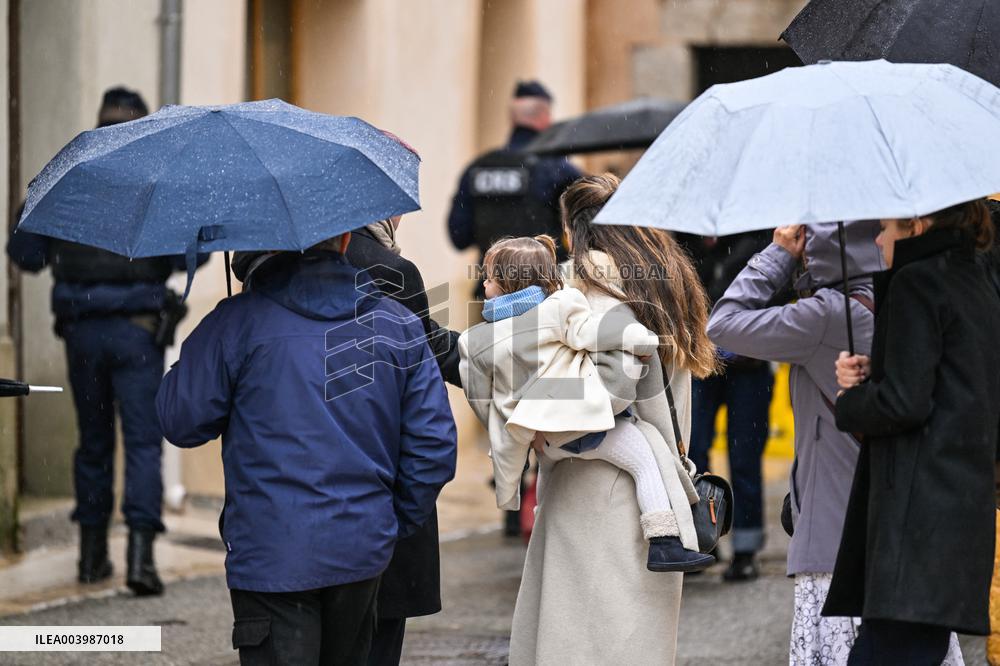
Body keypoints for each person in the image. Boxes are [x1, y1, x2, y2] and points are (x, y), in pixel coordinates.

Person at [156, 231, 456, 665]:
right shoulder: (398, 325)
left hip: (272, 552)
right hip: (362, 552)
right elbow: (433, 447)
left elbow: (180, 420)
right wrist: (386, 522)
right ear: (347, 237)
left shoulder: (237, 323)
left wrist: (204, 350)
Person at [509, 174, 717, 664]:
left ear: (571, 229)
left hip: (594, 486)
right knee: (629, 645)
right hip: (651, 492)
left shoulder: (587, 288)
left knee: (582, 645)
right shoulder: (665, 281)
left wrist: (534, 414)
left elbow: (603, 388)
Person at [6, 86, 200, 596]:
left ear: (99, 122)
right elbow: (185, 259)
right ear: (138, 127)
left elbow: (25, 253)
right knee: (141, 443)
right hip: (139, 333)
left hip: (82, 334)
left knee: (92, 444)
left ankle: (91, 557)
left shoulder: (67, 176)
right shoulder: (155, 180)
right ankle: (140, 559)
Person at [460, 235, 713, 573]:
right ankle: (664, 541)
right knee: (646, 459)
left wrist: (512, 426)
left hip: (545, 438)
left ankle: (546, 540)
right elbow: (593, 332)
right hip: (583, 424)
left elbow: (479, 396)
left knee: (551, 487)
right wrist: (641, 340)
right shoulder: (558, 307)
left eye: (490, 276)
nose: (484, 282)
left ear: (509, 281)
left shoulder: (478, 338)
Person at [827, 200, 1000, 665]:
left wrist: (851, 402)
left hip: (916, 514)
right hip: (958, 505)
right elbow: (955, 379)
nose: (879, 240)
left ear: (917, 225)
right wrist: (878, 369)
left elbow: (904, 403)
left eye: (885, 228)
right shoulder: (975, 277)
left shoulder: (915, 281)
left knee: (884, 654)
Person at [706, 221, 883, 664]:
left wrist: (777, 254)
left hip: (833, 536)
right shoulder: (883, 302)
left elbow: (724, 323)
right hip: (874, 518)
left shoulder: (825, 315)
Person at [448, 80, 580, 537]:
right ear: (544, 116)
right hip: (544, 300)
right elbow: (576, 231)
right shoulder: (559, 170)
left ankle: (507, 479)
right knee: (547, 390)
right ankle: (538, 488)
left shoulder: (479, 169)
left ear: (513, 116)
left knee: (496, 384)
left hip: (490, 295)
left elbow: (458, 233)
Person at [675, 230, 774, 581]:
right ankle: (703, 540)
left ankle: (746, 550)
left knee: (745, 456)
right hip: (700, 363)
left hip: (749, 363)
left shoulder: (758, 233)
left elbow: (779, 289)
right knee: (694, 451)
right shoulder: (681, 237)